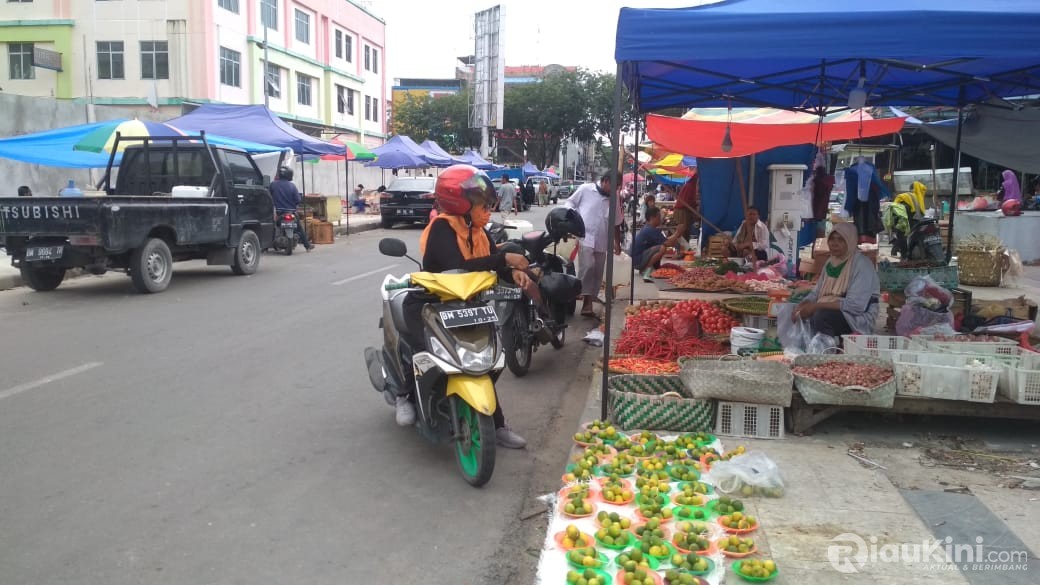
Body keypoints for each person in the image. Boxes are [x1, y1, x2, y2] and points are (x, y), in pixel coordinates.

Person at [403, 164, 528, 448]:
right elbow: (458, 267)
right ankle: (406, 396)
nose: (488, 210)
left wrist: (512, 272)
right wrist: (505, 260)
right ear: (460, 204)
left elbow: (491, 259)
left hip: (466, 307)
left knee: (487, 361)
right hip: (430, 306)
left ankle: (495, 425)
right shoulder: (442, 228)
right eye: (482, 204)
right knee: (423, 357)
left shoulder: (479, 231)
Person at [791, 222, 879, 338]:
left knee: (821, 316)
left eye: (841, 240)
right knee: (802, 312)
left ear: (850, 241)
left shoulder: (862, 265)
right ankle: (817, 346)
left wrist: (816, 306)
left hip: (856, 318)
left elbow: (855, 306)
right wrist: (802, 305)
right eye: (832, 239)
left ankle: (830, 348)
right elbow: (817, 292)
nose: (834, 244)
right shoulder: (831, 263)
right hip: (835, 310)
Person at [562, 171, 624, 317]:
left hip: (602, 238)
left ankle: (590, 297)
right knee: (588, 266)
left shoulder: (613, 198)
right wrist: (571, 216)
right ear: (606, 181)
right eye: (614, 186)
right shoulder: (585, 189)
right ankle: (586, 301)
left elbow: (616, 222)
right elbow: (570, 202)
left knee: (598, 271)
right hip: (585, 236)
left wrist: (617, 242)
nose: (615, 190)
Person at [269, 166, 314, 252]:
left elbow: (268, 196)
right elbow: (298, 200)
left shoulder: (273, 184)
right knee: (299, 228)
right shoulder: (292, 186)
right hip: (291, 212)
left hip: (278, 213)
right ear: (289, 175)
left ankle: (266, 246)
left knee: (273, 227)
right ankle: (307, 246)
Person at [632, 207, 668, 282]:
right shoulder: (650, 229)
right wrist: (678, 233)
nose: (660, 219)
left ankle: (647, 270)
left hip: (635, 260)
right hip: (638, 261)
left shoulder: (647, 227)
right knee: (662, 247)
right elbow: (667, 243)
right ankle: (647, 272)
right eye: (658, 217)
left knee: (660, 246)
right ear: (652, 218)